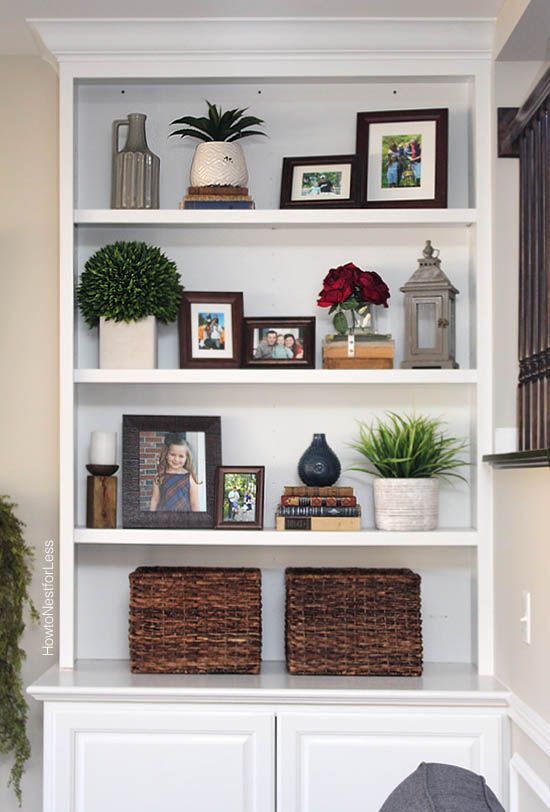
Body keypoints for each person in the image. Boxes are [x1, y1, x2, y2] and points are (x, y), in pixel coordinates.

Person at [149, 433, 200, 512]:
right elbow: (155, 500)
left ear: (186, 458)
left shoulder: (190, 477)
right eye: (172, 454)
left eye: (181, 456)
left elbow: (194, 504)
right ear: (166, 455)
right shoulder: (159, 476)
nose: (176, 459)